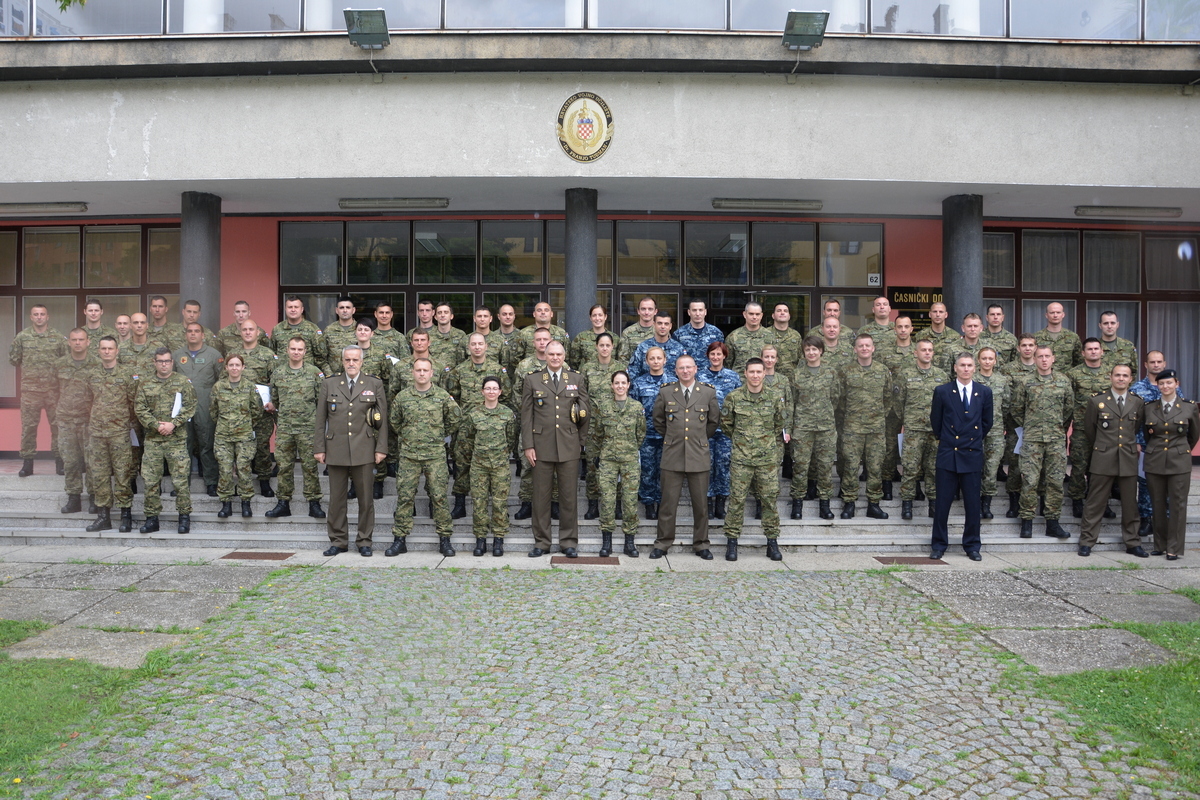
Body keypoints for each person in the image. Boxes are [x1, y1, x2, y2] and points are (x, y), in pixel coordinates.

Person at [314, 345, 388, 557]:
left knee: (365, 500)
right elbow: (320, 419)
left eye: (355, 359)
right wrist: (319, 447)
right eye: (347, 360)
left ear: (361, 361)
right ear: (342, 361)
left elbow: (383, 419)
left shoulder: (374, 383)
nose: (351, 363)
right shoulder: (329, 383)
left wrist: (381, 448)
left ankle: (364, 541)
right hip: (335, 448)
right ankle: (338, 541)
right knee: (337, 500)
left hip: (364, 448)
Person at [522, 341, 589, 558]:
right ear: (545, 355)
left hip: (569, 445)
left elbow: (585, 412)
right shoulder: (532, 380)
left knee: (569, 497)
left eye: (559, 354)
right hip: (541, 446)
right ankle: (542, 542)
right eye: (551, 354)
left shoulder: (576, 379)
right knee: (541, 497)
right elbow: (526, 415)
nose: (555, 357)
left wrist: (580, 441)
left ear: (564, 355)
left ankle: (568, 542)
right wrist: (528, 445)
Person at [389, 357, 461, 557]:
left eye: (425, 370)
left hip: (434, 455)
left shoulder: (442, 396)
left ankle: (445, 539)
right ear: (413, 372)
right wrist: (408, 436)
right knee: (405, 497)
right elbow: (395, 422)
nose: (421, 373)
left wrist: (438, 435)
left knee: (439, 497)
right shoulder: (403, 397)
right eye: (418, 370)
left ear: (431, 373)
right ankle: (399, 539)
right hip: (409, 455)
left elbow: (455, 418)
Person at [649, 354, 719, 560]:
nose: (685, 371)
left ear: (696, 369)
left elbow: (713, 422)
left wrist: (698, 439)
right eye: (681, 368)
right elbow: (658, 421)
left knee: (701, 505)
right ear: (676, 371)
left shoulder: (707, 392)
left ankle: (701, 544)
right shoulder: (666, 392)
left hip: (698, 454)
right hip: (673, 454)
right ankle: (663, 542)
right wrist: (674, 438)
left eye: (689, 367)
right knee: (668, 504)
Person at [720, 358, 789, 562]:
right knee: (736, 500)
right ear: (746, 373)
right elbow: (726, 425)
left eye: (759, 372)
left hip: (767, 459)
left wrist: (762, 442)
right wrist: (743, 442)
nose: (756, 375)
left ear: (764, 373)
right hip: (741, 459)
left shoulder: (775, 397)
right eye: (752, 372)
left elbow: (779, 424)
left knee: (769, 500)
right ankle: (732, 541)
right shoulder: (734, 397)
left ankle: (772, 542)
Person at [929, 353, 993, 561]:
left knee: (973, 504)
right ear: (955, 368)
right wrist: (949, 440)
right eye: (962, 365)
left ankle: (972, 545)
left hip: (972, 453)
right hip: (949, 452)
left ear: (975, 368)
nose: (966, 369)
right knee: (942, 503)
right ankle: (938, 545)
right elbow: (936, 422)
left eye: (969, 365)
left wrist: (972, 441)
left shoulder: (984, 392)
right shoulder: (943, 391)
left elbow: (987, 422)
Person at [1078, 364, 1145, 557]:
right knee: (1095, 502)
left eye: (1125, 375)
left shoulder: (1137, 402)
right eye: (1117, 375)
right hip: (1103, 457)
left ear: (1130, 379)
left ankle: (1132, 543)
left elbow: (1136, 427)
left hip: (1128, 458)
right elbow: (1090, 430)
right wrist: (1104, 446)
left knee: (1130, 504)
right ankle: (1087, 541)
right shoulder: (1097, 401)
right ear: (1111, 377)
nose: (1121, 378)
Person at [1011, 346, 1074, 539]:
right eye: (1040, 356)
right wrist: (1031, 426)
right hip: (1032, 439)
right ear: (1035, 359)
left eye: (1047, 356)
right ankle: (1026, 522)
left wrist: (1057, 427)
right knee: (1029, 481)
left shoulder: (1063, 381)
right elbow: (1016, 409)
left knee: (1055, 482)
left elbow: (1068, 409)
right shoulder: (1026, 381)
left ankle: (1052, 522)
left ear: (1053, 358)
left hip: (1055, 439)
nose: (1044, 360)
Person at [447, 332, 511, 519]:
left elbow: (506, 396)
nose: (477, 347)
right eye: (473, 344)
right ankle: (460, 503)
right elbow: (452, 398)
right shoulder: (458, 371)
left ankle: (497, 509)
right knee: (462, 464)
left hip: (491, 428)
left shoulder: (497, 370)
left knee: (492, 468)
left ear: (486, 346)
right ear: (468, 347)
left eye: (480, 344)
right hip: (466, 427)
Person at [135, 347, 198, 534]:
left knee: (180, 481)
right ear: (154, 363)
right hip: (153, 440)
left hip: (176, 440)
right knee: (150, 481)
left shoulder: (182, 382)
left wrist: (173, 424)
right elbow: (140, 409)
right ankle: (151, 518)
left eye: (167, 361)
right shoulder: (145, 384)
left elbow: (190, 406)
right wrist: (156, 425)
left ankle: (184, 517)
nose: (164, 365)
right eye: (160, 361)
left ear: (172, 362)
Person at [1142, 369, 1199, 560]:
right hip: (1155, 460)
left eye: (1169, 383)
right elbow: (1147, 434)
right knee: (1157, 503)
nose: (1165, 386)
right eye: (1161, 383)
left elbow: (1193, 436)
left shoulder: (1189, 407)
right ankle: (1160, 544)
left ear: (1177, 384)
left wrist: (1179, 450)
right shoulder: (1149, 407)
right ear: (1157, 386)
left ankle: (1174, 547)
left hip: (1179, 461)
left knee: (1178, 505)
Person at [456, 376, 516, 557]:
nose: (491, 391)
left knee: (499, 503)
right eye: (488, 388)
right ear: (482, 391)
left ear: (500, 392)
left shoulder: (507, 414)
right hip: (479, 466)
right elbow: (467, 441)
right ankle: (480, 539)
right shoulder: (474, 414)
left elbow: (511, 439)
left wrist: (501, 455)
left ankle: (498, 539)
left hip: (500, 466)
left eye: (494, 388)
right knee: (479, 502)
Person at [266, 336, 326, 519]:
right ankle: (283, 503)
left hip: (308, 428)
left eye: (300, 349)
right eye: (293, 349)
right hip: (285, 428)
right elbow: (275, 400)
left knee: (310, 467)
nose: (296, 352)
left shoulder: (314, 373)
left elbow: (321, 402)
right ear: (287, 350)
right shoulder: (278, 373)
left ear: (305, 351)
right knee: (284, 466)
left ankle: (314, 503)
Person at [84, 336, 138, 533]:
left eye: (110, 348)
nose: (107, 352)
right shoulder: (91, 374)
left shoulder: (127, 374)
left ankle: (126, 516)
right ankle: (103, 517)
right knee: (99, 475)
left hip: (119, 433)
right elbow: (88, 401)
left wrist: (123, 421)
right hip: (97, 433)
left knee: (123, 474)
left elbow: (133, 403)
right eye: (103, 348)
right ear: (98, 351)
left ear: (117, 351)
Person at [835, 334, 892, 519]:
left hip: (876, 429)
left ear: (873, 348)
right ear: (855, 349)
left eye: (868, 345)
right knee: (850, 466)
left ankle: (874, 504)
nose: (865, 348)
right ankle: (849, 503)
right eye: (861, 346)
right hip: (852, 428)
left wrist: (877, 416)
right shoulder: (845, 371)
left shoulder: (883, 370)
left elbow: (888, 398)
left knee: (875, 467)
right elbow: (840, 399)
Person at [9, 303, 65, 477]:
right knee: (29, 428)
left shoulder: (58, 337)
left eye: (42, 314)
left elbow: (66, 361)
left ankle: (60, 462)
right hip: (30, 391)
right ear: (31, 317)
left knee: (58, 427)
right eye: (36, 314)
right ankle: (27, 464)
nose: (39, 317)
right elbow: (14, 359)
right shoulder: (22, 337)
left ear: (47, 317)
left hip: (53, 391)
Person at [593, 370, 645, 558]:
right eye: (617, 383)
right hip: (608, 460)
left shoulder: (636, 407)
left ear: (628, 385)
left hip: (629, 461)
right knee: (607, 501)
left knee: (630, 502)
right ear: (612, 385)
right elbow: (598, 433)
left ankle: (629, 543)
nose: (620, 386)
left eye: (623, 383)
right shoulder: (604, 407)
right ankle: (606, 542)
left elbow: (641, 433)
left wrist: (630, 449)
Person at [897, 339, 948, 520]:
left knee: (934, 469)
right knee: (910, 468)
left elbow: (947, 403)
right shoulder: (905, 374)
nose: (927, 353)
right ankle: (907, 504)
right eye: (923, 350)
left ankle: (933, 504)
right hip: (914, 429)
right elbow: (898, 402)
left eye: (930, 350)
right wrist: (906, 420)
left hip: (935, 430)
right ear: (915, 353)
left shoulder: (941, 376)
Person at [173, 322, 224, 498]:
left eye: (196, 331)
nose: (193, 334)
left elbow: (221, 380)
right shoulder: (177, 355)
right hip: (183, 406)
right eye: (190, 331)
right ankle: (182, 484)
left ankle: (211, 482)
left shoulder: (214, 355)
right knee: (182, 445)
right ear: (185, 334)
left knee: (207, 443)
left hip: (206, 404)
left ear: (203, 335)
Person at [579, 332, 627, 520]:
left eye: (608, 345)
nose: (605, 348)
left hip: (614, 425)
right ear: (596, 347)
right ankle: (593, 505)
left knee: (616, 466)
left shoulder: (619, 367)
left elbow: (624, 393)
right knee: (592, 466)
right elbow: (581, 395)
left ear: (613, 347)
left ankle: (617, 505)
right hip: (592, 425)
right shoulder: (587, 368)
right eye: (601, 345)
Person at [1131, 351, 1179, 537]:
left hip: (1169, 445)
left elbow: (1182, 414)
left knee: (1167, 484)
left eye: (1159, 362)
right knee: (1144, 483)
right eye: (1152, 362)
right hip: (1145, 444)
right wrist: (1136, 441)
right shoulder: (1137, 388)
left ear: (1164, 363)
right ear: (1146, 365)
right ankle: (1146, 520)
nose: (1156, 365)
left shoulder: (1173, 386)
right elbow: (1133, 417)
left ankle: (1165, 521)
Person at [789, 336, 837, 521]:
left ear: (821, 351)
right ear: (804, 352)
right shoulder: (796, 374)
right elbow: (792, 401)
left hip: (825, 427)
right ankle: (797, 504)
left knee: (825, 466)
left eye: (814, 349)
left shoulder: (831, 372)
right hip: (803, 427)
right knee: (800, 466)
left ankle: (825, 504)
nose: (811, 352)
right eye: (807, 349)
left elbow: (836, 397)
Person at [1066, 338, 1115, 519]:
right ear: (1083, 353)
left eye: (1096, 349)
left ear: (1102, 351)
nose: (1093, 352)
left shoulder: (1111, 373)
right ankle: (1077, 500)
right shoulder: (1073, 374)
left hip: (1105, 429)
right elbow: (1068, 401)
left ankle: (1103, 502)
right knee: (1079, 466)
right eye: (1089, 349)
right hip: (1081, 428)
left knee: (1103, 468)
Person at [210, 354, 262, 519]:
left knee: (243, 468)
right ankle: (226, 504)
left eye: (237, 365)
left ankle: (246, 502)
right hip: (223, 436)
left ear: (243, 367)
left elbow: (257, 410)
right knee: (225, 469)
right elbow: (213, 411)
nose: (234, 368)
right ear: (226, 367)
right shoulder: (218, 387)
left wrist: (245, 424)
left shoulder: (250, 387)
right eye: (231, 365)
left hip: (244, 436)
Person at [55, 328, 99, 514]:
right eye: (74, 340)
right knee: (70, 461)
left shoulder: (97, 364)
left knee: (92, 461)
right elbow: (52, 390)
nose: (78, 343)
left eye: (81, 339)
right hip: (66, 420)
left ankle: (94, 498)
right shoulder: (59, 364)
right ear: (69, 342)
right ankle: (73, 498)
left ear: (88, 342)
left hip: (89, 420)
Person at [512, 327, 553, 519]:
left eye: (545, 339)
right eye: (538, 339)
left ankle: (554, 503)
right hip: (531, 422)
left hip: (553, 424)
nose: (542, 343)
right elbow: (517, 393)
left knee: (554, 464)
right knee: (527, 464)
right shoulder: (524, 365)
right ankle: (526, 503)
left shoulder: (560, 364)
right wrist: (529, 413)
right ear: (533, 342)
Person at [235, 319, 279, 498]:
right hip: (239, 411)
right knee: (240, 447)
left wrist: (273, 402)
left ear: (258, 332)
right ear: (240, 332)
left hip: (262, 410)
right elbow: (225, 379)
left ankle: (264, 481)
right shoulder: (233, 354)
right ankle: (241, 483)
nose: (247, 332)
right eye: (244, 329)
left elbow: (275, 380)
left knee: (262, 446)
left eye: (251, 329)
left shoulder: (268, 355)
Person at [698, 341, 741, 519]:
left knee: (723, 465)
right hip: (704, 429)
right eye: (712, 354)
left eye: (719, 354)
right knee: (706, 466)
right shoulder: (699, 376)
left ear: (724, 356)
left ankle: (721, 503)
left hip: (726, 430)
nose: (715, 357)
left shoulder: (733, 377)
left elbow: (739, 401)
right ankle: (708, 503)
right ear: (708, 356)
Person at [1000, 333, 1040, 516]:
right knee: (1015, 463)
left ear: (1036, 347)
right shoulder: (1008, 369)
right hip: (1016, 426)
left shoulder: (1042, 368)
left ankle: (1037, 501)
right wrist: (1021, 423)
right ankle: (1014, 501)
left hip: (1039, 426)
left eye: (1031, 345)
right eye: (1024, 345)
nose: (1027, 348)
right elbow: (1007, 397)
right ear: (1018, 348)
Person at [630, 347, 670, 519]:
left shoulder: (673, 382)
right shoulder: (638, 383)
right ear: (646, 361)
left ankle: (661, 503)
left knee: (664, 472)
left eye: (659, 358)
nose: (655, 361)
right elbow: (633, 410)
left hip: (667, 435)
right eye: (652, 358)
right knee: (647, 471)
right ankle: (648, 504)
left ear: (665, 360)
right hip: (646, 435)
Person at [973, 347, 1010, 520]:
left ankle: (986, 503)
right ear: (978, 360)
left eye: (990, 358)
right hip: (973, 430)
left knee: (991, 467)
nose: (987, 361)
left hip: (995, 431)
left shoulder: (1002, 381)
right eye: (984, 358)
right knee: (974, 467)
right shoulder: (971, 379)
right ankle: (973, 502)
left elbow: (1007, 405)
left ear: (995, 361)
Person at [271, 295, 325, 371]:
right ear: (285, 309)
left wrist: (312, 370)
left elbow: (321, 355)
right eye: (290, 307)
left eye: (296, 307)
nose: (293, 310)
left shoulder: (312, 329)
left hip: (305, 374)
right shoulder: (277, 329)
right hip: (283, 374)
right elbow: (272, 352)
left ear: (302, 309)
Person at [628, 312, 684, 380]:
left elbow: (683, 372)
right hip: (647, 385)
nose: (663, 326)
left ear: (670, 326)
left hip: (671, 385)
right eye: (659, 323)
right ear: (654, 324)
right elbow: (633, 372)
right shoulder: (643, 347)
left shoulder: (678, 348)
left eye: (666, 324)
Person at [672, 299, 724, 373]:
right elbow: (675, 358)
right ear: (689, 312)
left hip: (710, 376)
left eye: (700, 310)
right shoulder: (679, 334)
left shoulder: (716, 333)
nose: (697, 313)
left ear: (705, 312)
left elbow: (721, 356)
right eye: (694, 310)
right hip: (687, 375)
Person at [725, 302, 772, 375]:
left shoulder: (770, 336)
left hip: (762, 379)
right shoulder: (733, 337)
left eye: (757, 314)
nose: (754, 317)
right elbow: (727, 363)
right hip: (739, 379)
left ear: (761, 315)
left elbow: (775, 362)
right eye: (751, 314)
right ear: (744, 314)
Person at [1035, 301, 1082, 369]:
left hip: (1066, 375)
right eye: (1052, 313)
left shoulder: (1073, 337)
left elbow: (1079, 361)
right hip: (1043, 374)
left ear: (1063, 315)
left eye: (1058, 312)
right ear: (1046, 315)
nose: (1055, 315)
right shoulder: (1036, 337)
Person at [570, 303, 616, 370]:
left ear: (605, 317)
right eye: (594, 315)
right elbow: (574, 362)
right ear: (590, 318)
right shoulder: (581, 337)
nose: (597, 318)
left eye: (600, 315)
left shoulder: (615, 338)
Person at [322, 296, 361, 373]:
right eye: (342, 308)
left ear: (353, 310)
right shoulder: (329, 330)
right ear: (337, 310)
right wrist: (330, 375)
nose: (345, 310)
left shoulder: (360, 329)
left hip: (356, 375)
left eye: (348, 307)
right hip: (334, 376)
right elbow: (322, 356)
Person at [767, 301, 804, 378]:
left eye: (785, 311)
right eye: (779, 311)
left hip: (792, 378)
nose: (782, 313)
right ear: (773, 315)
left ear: (789, 316)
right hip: (771, 378)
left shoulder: (795, 335)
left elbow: (801, 359)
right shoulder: (765, 334)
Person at [428, 302, 468, 369]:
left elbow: (466, 358)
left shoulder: (460, 335)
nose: (442, 315)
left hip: (455, 373)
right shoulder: (428, 335)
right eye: (439, 313)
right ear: (435, 317)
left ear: (451, 316)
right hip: (435, 373)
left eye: (446, 312)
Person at [618, 296, 657, 362]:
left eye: (650, 309)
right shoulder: (628, 332)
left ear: (655, 311)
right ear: (638, 311)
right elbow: (622, 359)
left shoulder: (661, 331)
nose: (646, 312)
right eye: (643, 309)